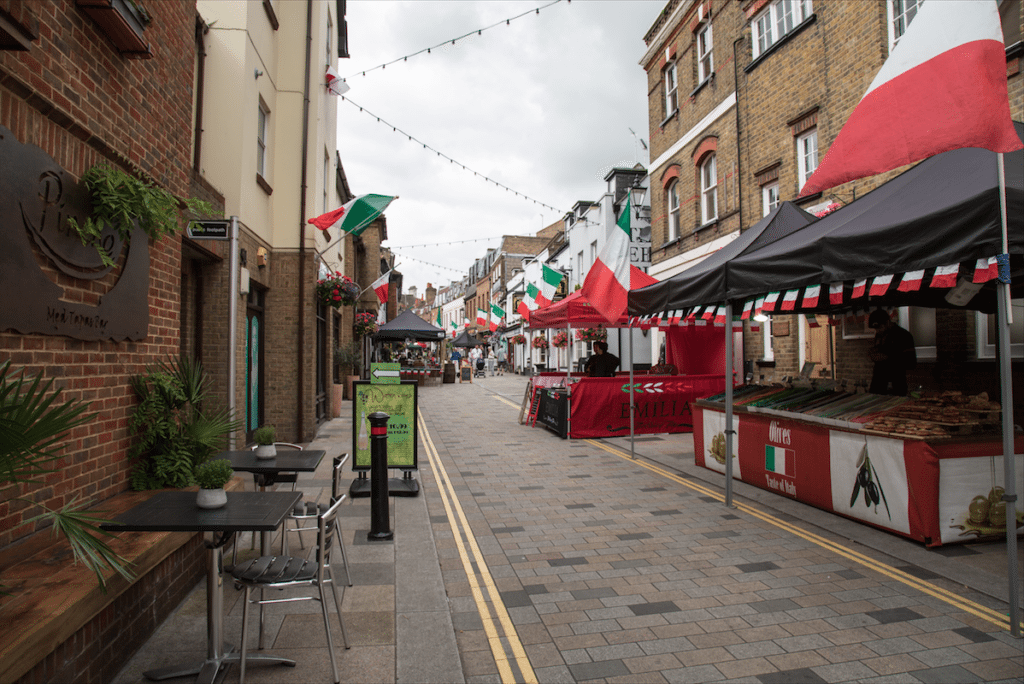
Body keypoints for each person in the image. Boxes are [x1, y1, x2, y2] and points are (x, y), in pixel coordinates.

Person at [867, 309, 916, 396]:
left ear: (887, 322)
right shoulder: (879, 335)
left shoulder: (904, 335)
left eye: (880, 327)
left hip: (896, 382)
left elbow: (911, 361)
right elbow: (878, 350)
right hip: (878, 383)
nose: (877, 331)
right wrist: (873, 354)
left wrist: (887, 357)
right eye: (875, 328)